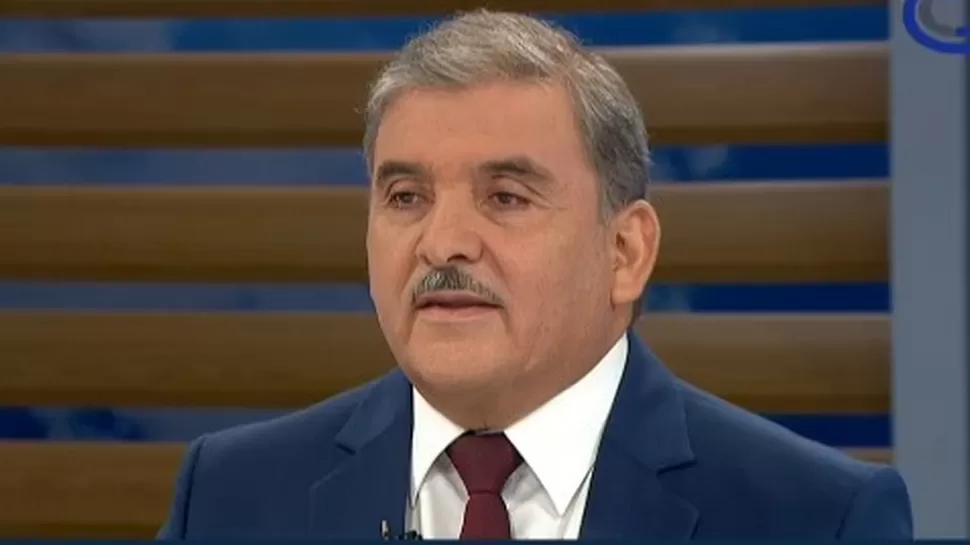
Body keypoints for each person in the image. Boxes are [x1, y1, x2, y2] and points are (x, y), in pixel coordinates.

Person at [157, 10, 912, 539]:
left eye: (506, 197)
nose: (442, 243)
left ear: (626, 252)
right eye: (406, 196)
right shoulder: (229, 496)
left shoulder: (816, 518)